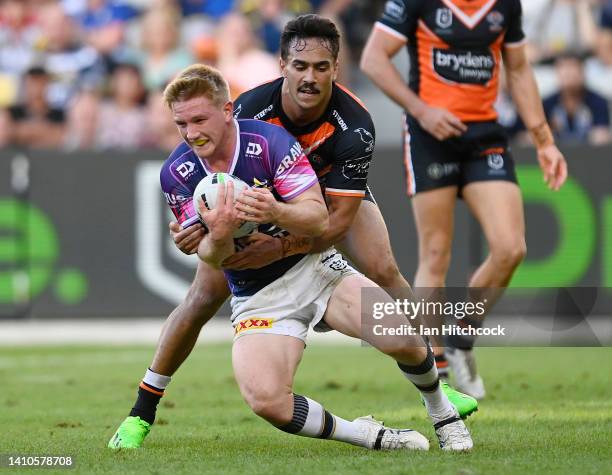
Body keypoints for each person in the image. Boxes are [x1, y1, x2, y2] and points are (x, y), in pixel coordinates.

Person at [108, 15, 477, 449]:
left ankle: (437, 377)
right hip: (257, 209)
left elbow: (332, 221)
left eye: (321, 67)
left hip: (324, 198)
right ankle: (143, 409)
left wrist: (279, 242)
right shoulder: (245, 113)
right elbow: (210, 221)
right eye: (300, 65)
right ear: (283, 64)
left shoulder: (354, 125)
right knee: (202, 294)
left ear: (335, 68)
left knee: (381, 265)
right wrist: (203, 232)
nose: (309, 76)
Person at [359, 0, 568, 400]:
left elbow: (519, 69)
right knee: (435, 254)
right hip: (429, 137)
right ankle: (436, 374)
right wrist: (422, 110)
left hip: (484, 137)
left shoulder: (506, 5)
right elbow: (373, 59)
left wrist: (544, 141)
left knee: (510, 248)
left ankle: (460, 338)